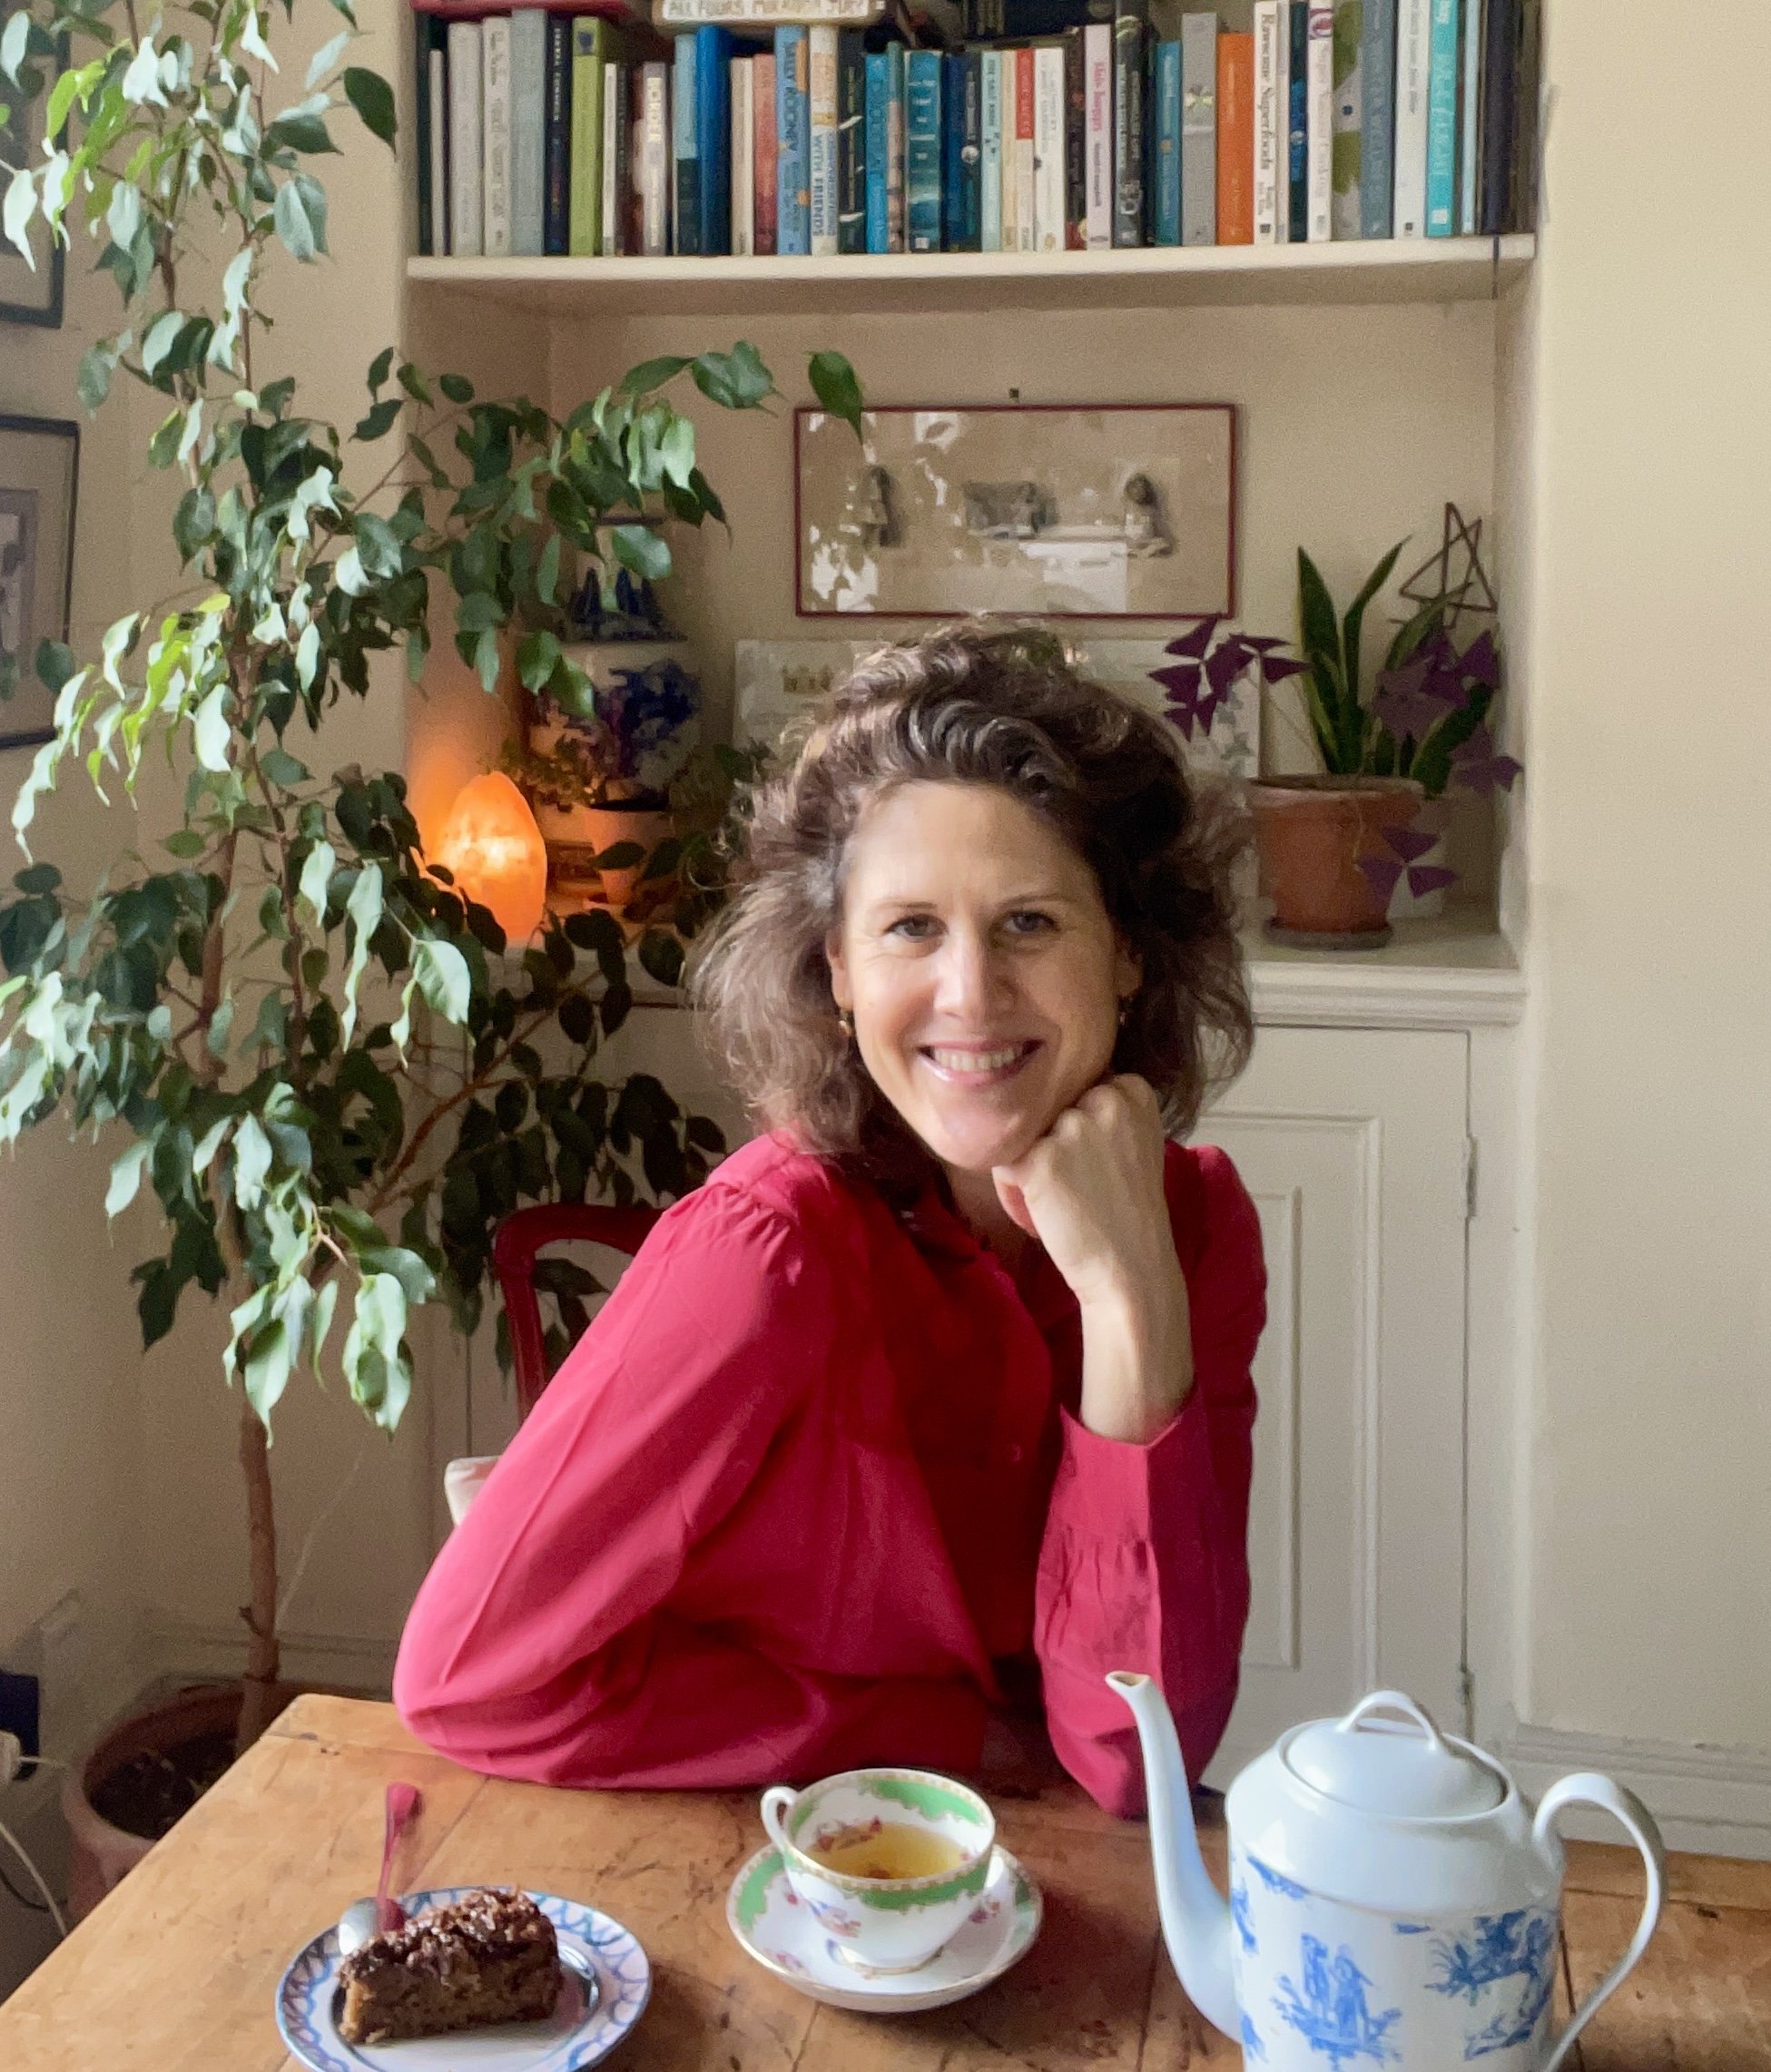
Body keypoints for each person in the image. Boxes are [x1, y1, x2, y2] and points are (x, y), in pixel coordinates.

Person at [393, 626, 1266, 1817]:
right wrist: (939, 1733)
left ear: (1128, 954)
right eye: (911, 927)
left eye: (1030, 922)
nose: (970, 993)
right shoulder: (766, 1251)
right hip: (767, 1857)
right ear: (839, 971)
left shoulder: (1196, 1226)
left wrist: (1128, 1301)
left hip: (1032, 1873)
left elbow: (1134, 1759)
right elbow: (464, 1679)